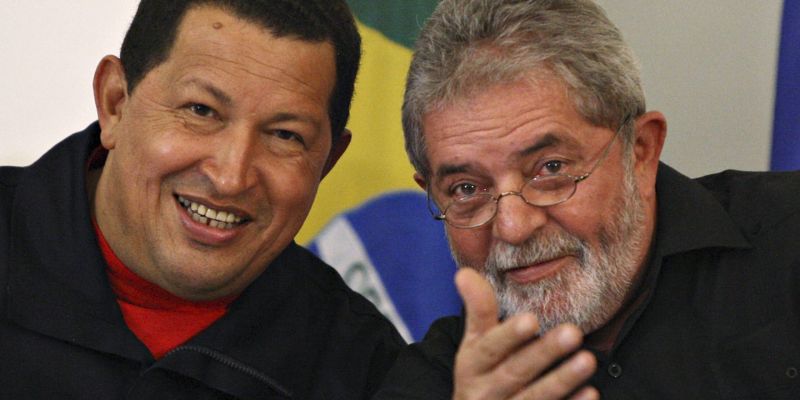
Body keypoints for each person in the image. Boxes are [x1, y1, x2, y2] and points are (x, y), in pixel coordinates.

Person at [374, 0, 800, 399]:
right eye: (467, 189)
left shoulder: (788, 241)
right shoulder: (434, 383)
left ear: (641, 152)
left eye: (551, 168)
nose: (513, 227)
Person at [0, 1, 405, 398]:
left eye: (285, 135)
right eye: (201, 110)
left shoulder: (368, 373)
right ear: (115, 103)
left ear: (327, 162)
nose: (231, 179)